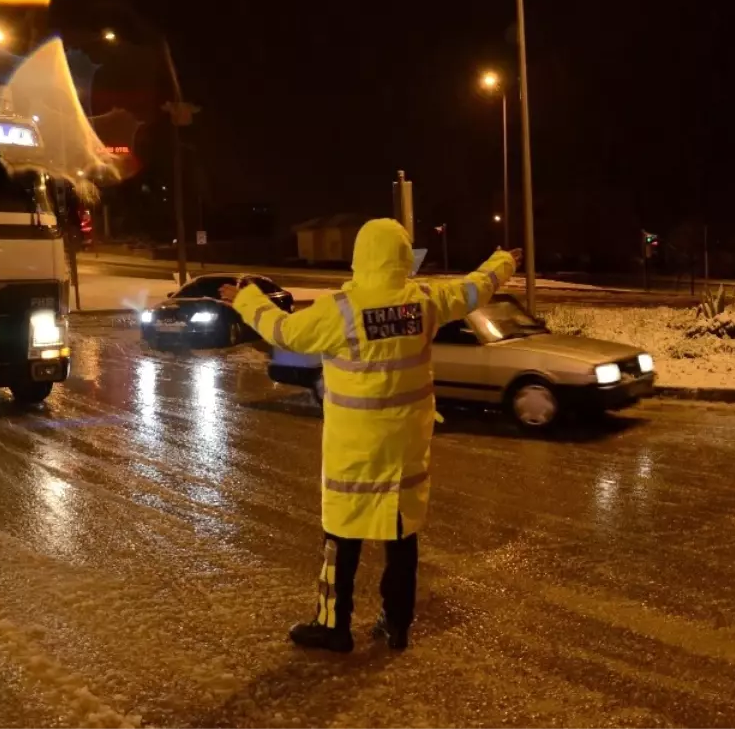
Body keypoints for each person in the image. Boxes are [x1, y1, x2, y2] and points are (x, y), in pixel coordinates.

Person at [221, 218, 519, 652]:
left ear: (360, 257)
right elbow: (474, 289)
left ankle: (333, 626)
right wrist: (503, 261)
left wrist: (247, 298)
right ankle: (396, 624)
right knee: (401, 537)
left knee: (342, 534)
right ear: (402, 257)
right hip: (406, 446)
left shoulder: (341, 310)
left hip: (355, 449)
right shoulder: (424, 301)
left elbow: (282, 330)